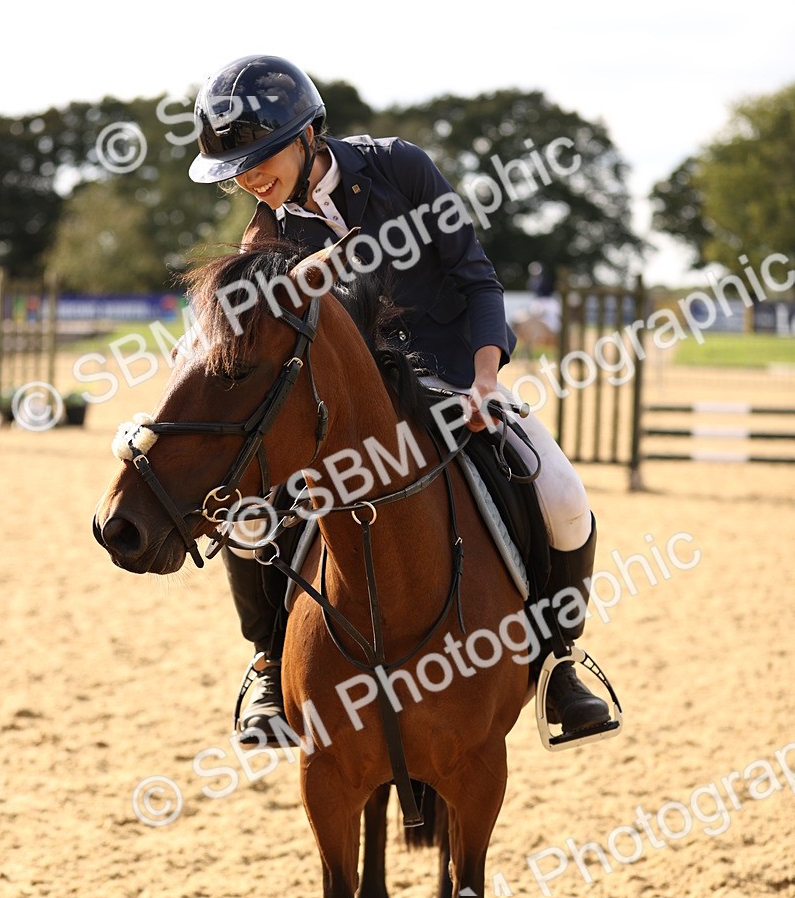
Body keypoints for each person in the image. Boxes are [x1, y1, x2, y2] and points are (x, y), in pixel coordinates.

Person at [188, 54, 613, 746]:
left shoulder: (400, 168)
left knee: (563, 497)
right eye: (235, 169)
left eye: (260, 156)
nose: (249, 177)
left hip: (453, 377)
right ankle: (269, 662)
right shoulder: (264, 240)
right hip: (351, 417)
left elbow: (477, 280)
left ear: (307, 134)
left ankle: (561, 662)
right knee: (248, 517)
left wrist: (484, 380)